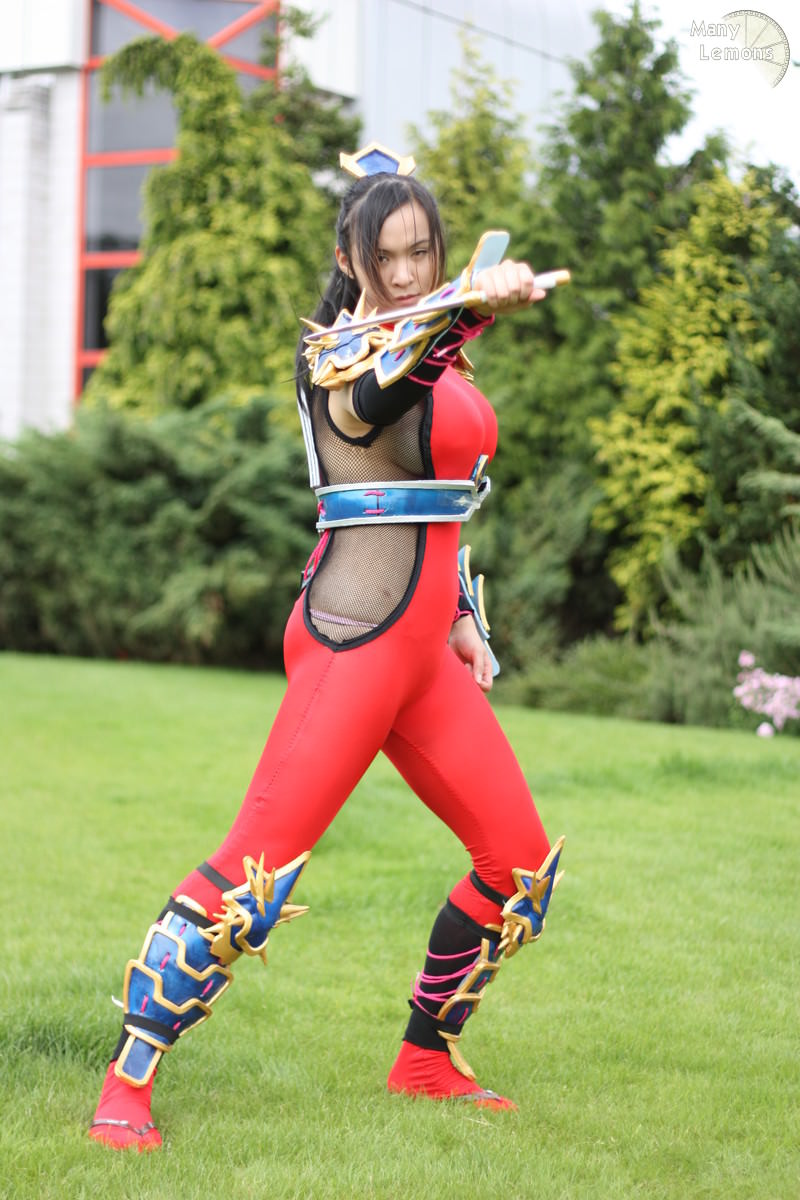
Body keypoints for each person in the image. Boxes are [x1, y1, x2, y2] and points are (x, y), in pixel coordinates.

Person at [89, 143, 564, 1151]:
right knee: (254, 877)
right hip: (353, 641)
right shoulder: (339, 354)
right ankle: (126, 1082)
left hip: (423, 655)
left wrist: (463, 617)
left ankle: (424, 1060)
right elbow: (379, 403)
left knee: (519, 866)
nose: (406, 271)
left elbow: (438, 498)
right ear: (349, 256)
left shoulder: (435, 341)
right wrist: (468, 310)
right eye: (385, 254)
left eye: (422, 251)